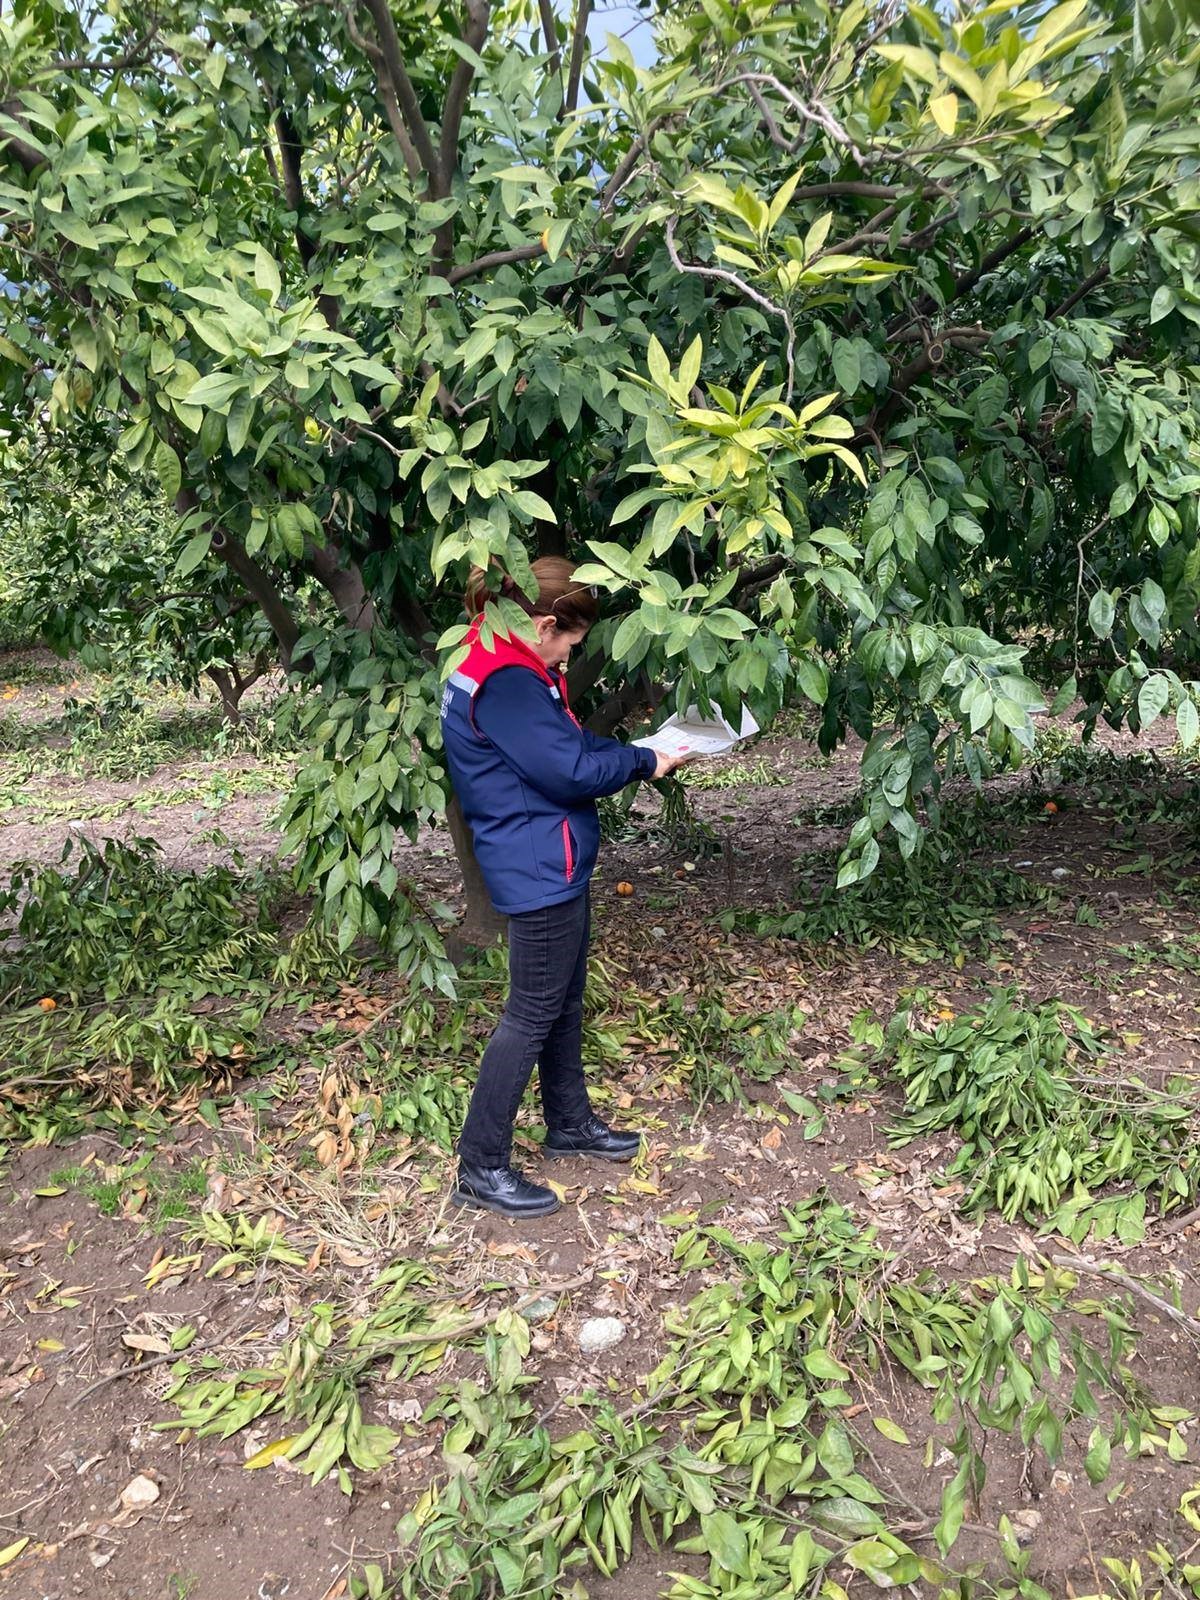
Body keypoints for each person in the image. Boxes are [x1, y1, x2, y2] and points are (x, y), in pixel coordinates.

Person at [439, 557, 684, 1218]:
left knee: (562, 999)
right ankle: (480, 1164)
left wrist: (637, 753)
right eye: (571, 641)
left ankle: (569, 1122)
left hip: (548, 856)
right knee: (530, 1012)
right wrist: (646, 759)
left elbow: (560, 751)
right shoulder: (509, 681)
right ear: (545, 624)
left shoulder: (497, 654)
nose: (573, 653)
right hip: (536, 862)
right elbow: (571, 769)